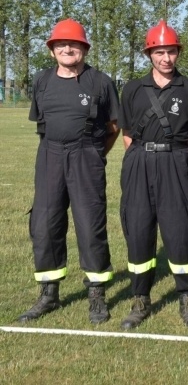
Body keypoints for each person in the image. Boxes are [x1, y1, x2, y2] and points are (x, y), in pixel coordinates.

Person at [19, 18, 120, 325]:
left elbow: (114, 127)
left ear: (84, 49)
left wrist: (93, 153)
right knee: (45, 224)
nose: (67, 49)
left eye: (73, 45)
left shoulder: (100, 82)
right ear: (52, 51)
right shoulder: (41, 81)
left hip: (86, 155)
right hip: (49, 154)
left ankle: (97, 295)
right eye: (60, 45)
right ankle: (49, 295)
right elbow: (41, 123)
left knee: (90, 225)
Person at [117, 20, 188, 329]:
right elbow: (127, 133)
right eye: (159, 52)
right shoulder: (132, 88)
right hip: (139, 163)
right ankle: (140, 299)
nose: (165, 58)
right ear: (149, 54)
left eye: (170, 52)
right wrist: (146, 155)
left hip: (175, 163)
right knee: (139, 231)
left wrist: (178, 160)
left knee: (180, 232)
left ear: (178, 53)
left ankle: (187, 299)